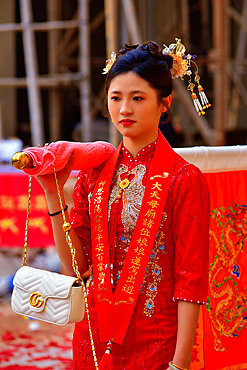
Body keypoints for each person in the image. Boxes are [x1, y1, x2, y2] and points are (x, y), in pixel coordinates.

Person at [36, 40, 210, 370]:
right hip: (93, 336)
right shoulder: (94, 175)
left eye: (138, 98)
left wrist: (181, 362)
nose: (124, 109)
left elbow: (191, 279)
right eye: (116, 98)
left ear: (165, 103)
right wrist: (52, 194)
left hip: (156, 342)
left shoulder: (184, 179)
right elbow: (77, 268)